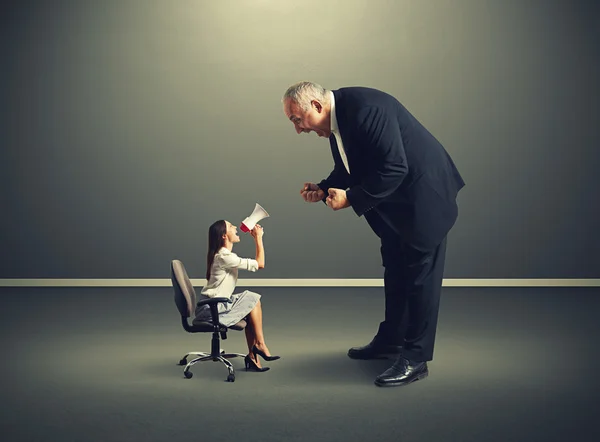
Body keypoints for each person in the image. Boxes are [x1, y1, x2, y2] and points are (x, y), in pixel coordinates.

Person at [282, 81, 465, 387]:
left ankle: (416, 358)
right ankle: (391, 339)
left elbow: (394, 167)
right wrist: (324, 187)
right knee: (395, 271)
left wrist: (351, 199)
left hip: (424, 199)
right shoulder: (338, 121)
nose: (299, 130)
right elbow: (351, 166)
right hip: (393, 204)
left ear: (316, 106)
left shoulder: (366, 110)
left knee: (421, 280)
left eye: (298, 120)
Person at [194, 219, 280, 372]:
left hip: (214, 304)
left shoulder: (224, 255)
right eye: (231, 226)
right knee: (252, 299)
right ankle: (258, 346)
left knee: (252, 303)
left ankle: (253, 357)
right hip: (210, 308)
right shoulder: (224, 257)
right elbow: (260, 264)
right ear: (224, 236)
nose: (235, 227)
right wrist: (258, 238)